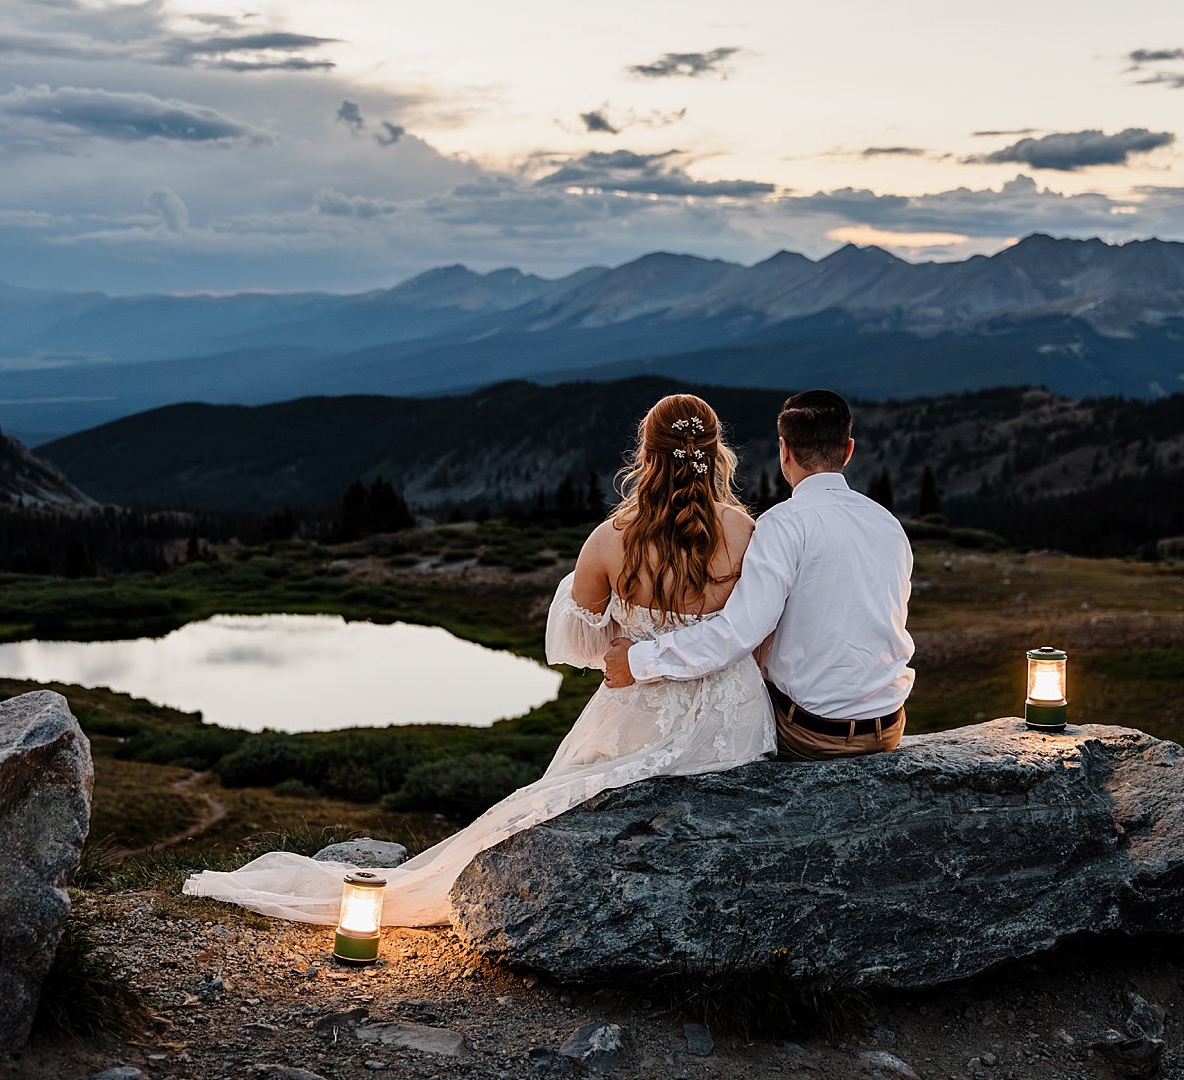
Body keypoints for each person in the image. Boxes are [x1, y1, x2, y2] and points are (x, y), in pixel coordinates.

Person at [182, 393, 776, 926]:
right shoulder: (745, 530)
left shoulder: (611, 541)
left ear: (645, 456)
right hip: (734, 716)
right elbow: (752, 628)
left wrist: (634, 630)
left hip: (640, 711)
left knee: (554, 804)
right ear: (717, 454)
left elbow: (582, 642)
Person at [602, 389, 914, 761]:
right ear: (847, 450)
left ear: (784, 451)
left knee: (711, 714)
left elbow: (739, 632)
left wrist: (639, 661)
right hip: (889, 724)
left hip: (811, 733)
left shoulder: (784, 524)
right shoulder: (887, 523)